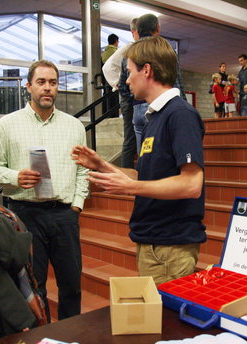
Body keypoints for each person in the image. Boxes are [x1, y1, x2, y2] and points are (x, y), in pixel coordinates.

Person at [71, 36, 206, 285]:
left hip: (170, 247)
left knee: (166, 323)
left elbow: (191, 184)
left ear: (147, 70)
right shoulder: (155, 117)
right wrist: (103, 165)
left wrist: (132, 188)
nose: (127, 79)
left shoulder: (180, 115)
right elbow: (146, 179)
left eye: (130, 71)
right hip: (154, 243)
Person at [0, 60, 89, 321]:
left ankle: (71, 336)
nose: (47, 88)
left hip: (65, 215)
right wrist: (15, 177)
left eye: (53, 83)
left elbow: (83, 170)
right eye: (41, 82)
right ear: (29, 86)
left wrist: (77, 204)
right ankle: (40, 341)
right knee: (34, 287)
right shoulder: (7, 125)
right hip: (25, 214)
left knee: (71, 285)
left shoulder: (74, 126)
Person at [126, 13, 186, 151]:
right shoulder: (165, 52)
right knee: (150, 160)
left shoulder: (132, 52)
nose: (128, 80)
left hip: (139, 109)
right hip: (157, 108)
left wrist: (131, 108)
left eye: (130, 73)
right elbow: (177, 80)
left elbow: (192, 173)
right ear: (157, 28)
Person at [103, 19, 139, 168]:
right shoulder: (129, 48)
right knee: (130, 139)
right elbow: (108, 67)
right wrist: (118, 86)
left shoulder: (140, 47)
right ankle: (127, 176)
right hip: (130, 99)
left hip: (138, 100)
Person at [101, 34, 120, 118]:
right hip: (114, 79)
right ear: (116, 41)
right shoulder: (115, 52)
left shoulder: (104, 53)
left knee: (106, 97)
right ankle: (114, 115)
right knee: (114, 97)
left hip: (105, 79)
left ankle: (106, 114)